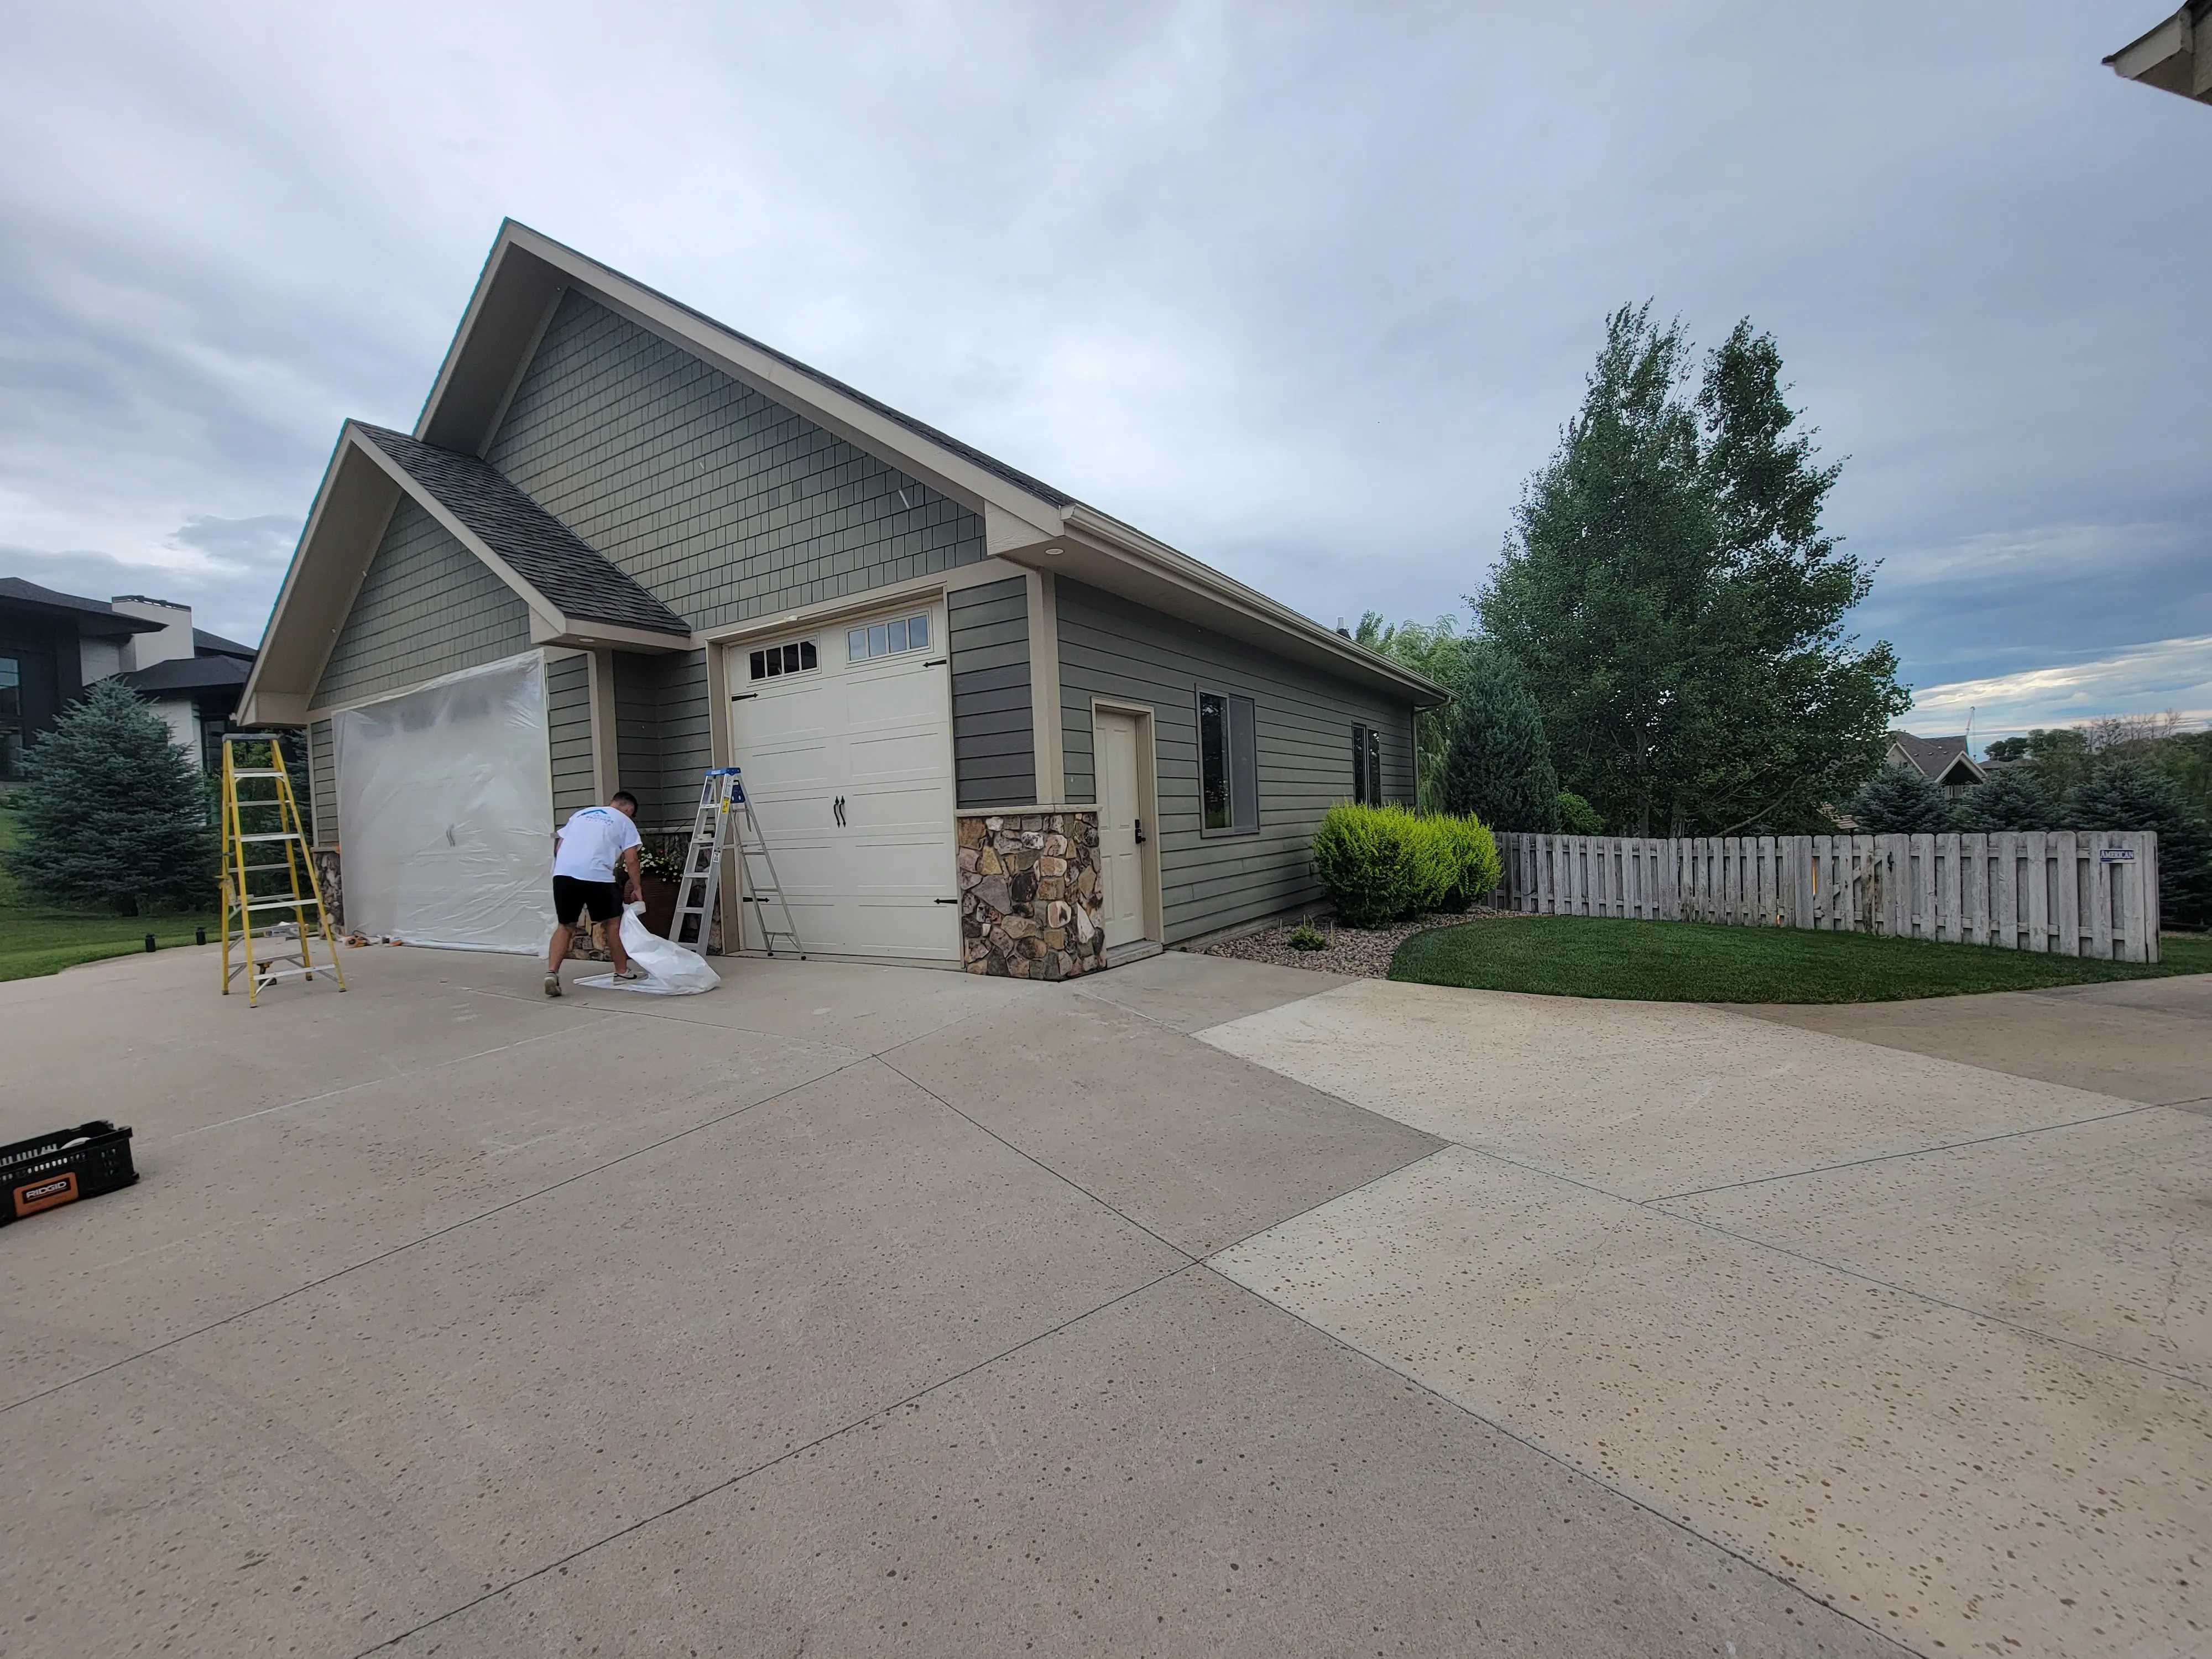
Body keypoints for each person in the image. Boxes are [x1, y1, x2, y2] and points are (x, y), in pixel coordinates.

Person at [546, 789, 645, 997]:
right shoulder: (625, 821)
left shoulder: (580, 815)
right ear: (628, 809)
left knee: (565, 926)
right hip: (597, 875)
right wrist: (637, 888)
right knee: (613, 922)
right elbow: (631, 859)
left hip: (563, 874)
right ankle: (621, 972)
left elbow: (560, 846)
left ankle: (552, 973)